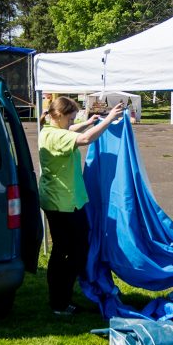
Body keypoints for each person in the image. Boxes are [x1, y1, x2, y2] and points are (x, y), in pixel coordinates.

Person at [39, 96, 125, 315]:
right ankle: (60, 302)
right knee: (70, 253)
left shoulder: (49, 129)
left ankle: (60, 299)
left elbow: (71, 130)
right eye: (71, 118)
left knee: (65, 250)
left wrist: (87, 122)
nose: (72, 122)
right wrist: (108, 121)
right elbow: (85, 140)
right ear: (59, 115)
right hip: (63, 203)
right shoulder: (53, 135)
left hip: (63, 201)